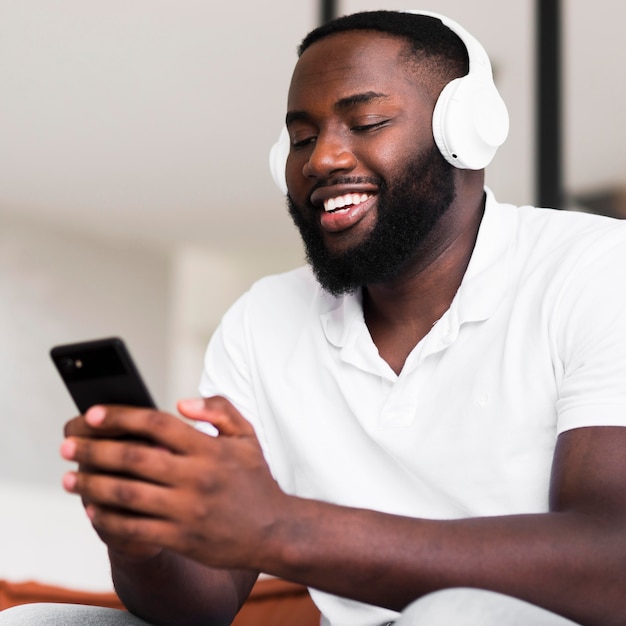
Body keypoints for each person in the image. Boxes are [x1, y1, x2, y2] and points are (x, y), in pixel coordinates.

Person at [3, 9, 626, 626]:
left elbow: (611, 561)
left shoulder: (596, 270)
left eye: (367, 121)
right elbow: (203, 604)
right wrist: (143, 533)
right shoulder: (262, 319)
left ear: (467, 131)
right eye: (301, 137)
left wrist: (278, 525)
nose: (322, 159)